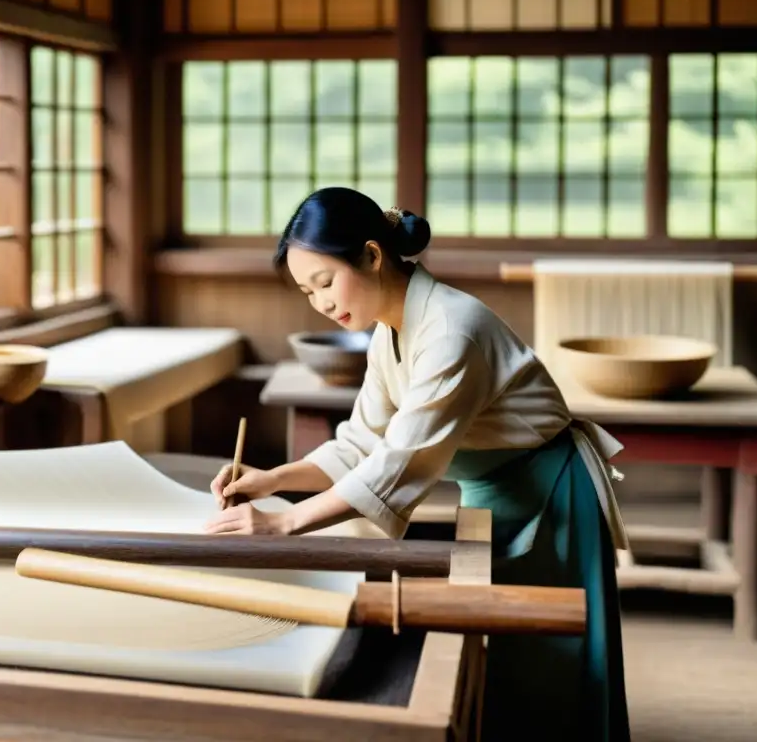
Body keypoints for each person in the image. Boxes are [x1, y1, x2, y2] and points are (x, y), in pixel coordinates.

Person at [202, 185, 631, 741]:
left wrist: (285, 521)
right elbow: (362, 443)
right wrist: (273, 480)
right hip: (494, 490)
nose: (322, 303)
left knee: (550, 664)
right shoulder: (391, 330)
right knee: (507, 663)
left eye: (326, 282)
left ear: (373, 255)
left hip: (549, 495)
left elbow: (397, 463)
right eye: (308, 292)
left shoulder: (452, 330)